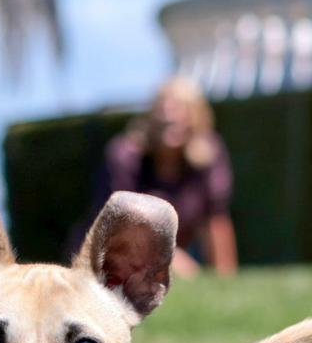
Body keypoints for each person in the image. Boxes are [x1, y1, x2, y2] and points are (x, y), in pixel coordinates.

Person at [102, 77, 238, 277]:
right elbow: (121, 225)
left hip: (179, 252)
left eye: (180, 109)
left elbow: (215, 219)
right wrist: (172, 258)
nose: (169, 115)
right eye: (164, 109)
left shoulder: (208, 154)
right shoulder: (125, 157)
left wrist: (225, 280)